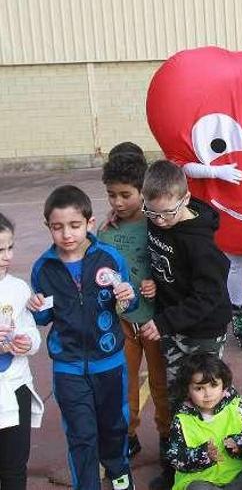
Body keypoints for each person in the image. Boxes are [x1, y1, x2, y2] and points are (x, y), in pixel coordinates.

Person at [28, 185, 137, 490]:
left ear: (89, 224)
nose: (66, 234)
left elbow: (128, 303)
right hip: (69, 369)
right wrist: (35, 309)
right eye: (57, 227)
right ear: (48, 227)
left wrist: (129, 297)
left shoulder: (109, 257)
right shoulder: (43, 268)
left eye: (74, 226)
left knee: (115, 429)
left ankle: (120, 478)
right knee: (81, 435)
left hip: (110, 364)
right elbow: (44, 316)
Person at [137, 160, 234, 489]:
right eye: (152, 213)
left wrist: (163, 322)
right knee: (178, 397)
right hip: (175, 326)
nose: (160, 221)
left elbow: (208, 298)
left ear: (187, 198)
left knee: (204, 396)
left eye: (167, 213)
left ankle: (218, 459)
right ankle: (178, 466)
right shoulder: (153, 219)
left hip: (203, 331)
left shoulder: (201, 245)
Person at [98, 145, 171, 461]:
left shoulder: (158, 224)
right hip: (121, 322)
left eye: (125, 194)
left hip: (154, 321)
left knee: (161, 383)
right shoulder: (106, 230)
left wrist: (157, 284)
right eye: (111, 195)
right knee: (124, 383)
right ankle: (128, 434)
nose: (117, 202)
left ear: (142, 191)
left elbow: (171, 266)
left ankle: (168, 435)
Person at [167, 353, 242, 490]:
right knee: (197, 488)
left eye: (214, 385)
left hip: (238, 473)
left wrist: (239, 443)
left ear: (224, 386)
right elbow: (176, 458)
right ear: (187, 390)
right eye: (199, 388)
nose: (208, 394)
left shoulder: (235, 406)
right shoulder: (181, 419)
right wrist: (204, 454)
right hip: (202, 479)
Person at [0, 213, 43, 490]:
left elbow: (30, 331)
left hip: (16, 389)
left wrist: (28, 342)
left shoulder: (17, 288)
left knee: (15, 469)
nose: (6, 257)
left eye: (9, 248)